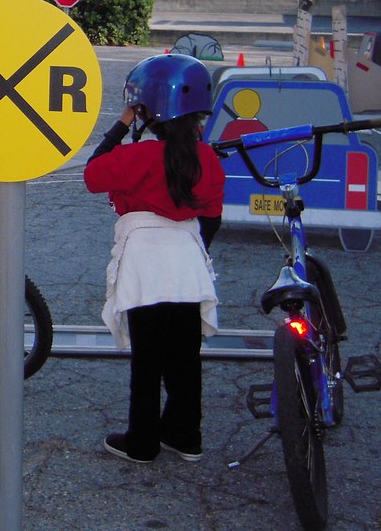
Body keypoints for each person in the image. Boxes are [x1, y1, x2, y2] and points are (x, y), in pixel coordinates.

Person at [83, 54, 224, 464]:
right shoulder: (208, 158)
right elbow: (211, 219)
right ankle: (185, 435)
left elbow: (93, 173)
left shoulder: (137, 157)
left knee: (147, 361)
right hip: (188, 262)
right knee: (185, 357)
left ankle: (142, 441)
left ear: (148, 110)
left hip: (146, 262)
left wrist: (123, 122)